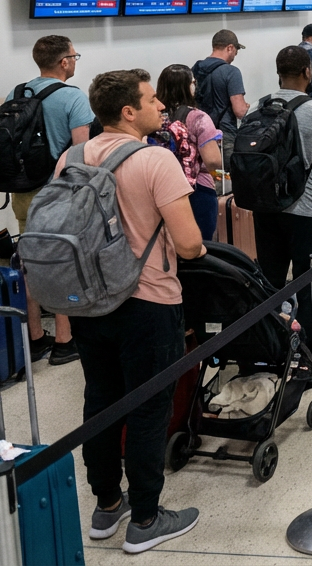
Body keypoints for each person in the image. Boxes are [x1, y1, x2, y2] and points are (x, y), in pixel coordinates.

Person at [65, 69, 205, 553]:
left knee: (100, 400)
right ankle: (146, 518)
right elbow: (188, 244)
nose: (159, 107)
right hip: (147, 302)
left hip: (87, 302)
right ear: (129, 111)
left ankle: (107, 506)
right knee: (148, 410)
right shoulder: (155, 160)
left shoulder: (73, 156)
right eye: (151, 100)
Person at [247, 47, 312, 359]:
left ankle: (270, 352)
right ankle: (311, 359)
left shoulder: (257, 107)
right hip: (308, 213)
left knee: (271, 284)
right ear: (308, 72)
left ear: (279, 72)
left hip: (265, 210)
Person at [7, 35, 94, 365]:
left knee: (28, 264)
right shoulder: (73, 98)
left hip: (22, 192)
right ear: (64, 62)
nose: (74, 60)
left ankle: (35, 338)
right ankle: (63, 340)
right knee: (62, 265)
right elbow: (80, 156)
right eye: (74, 55)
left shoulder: (17, 94)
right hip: (57, 195)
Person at [152, 65, 224, 241]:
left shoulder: (154, 117)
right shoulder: (198, 118)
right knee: (200, 244)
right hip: (198, 190)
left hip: (161, 190)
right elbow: (213, 160)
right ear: (188, 86)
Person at [191, 29, 248, 162]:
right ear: (230, 48)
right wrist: (247, 108)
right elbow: (239, 111)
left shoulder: (196, 68)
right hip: (223, 136)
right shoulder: (231, 72)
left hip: (199, 133)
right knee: (225, 179)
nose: (235, 55)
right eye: (236, 51)